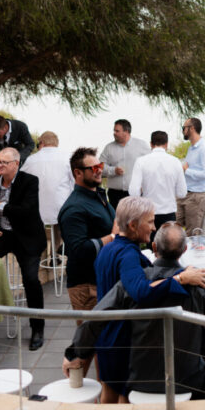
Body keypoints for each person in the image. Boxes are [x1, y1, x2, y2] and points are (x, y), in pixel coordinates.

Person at [65, 221, 205, 398]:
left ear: (154, 247)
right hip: (188, 381)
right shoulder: (200, 282)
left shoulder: (135, 283)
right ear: (185, 250)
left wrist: (75, 354)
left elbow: (97, 317)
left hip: (141, 379)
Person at [0, 147, 47, 349]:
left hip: (27, 237)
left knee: (31, 279)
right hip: (2, 235)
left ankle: (37, 327)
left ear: (16, 164)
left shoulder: (29, 181)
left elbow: (26, 211)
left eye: (4, 162)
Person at [58, 147, 115, 348]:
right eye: (94, 168)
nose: (99, 170)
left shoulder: (97, 196)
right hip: (86, 286)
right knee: (92, 346)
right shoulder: (74, 208)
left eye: (100, 166)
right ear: (78, 173)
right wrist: (113, 237)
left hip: (101, 280)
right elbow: (79, 250)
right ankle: (73, 365)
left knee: (102, 345)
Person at [128, 131, 186, 234]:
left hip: (147, 213)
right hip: (169, 214)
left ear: (151, 144)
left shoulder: (141, 161)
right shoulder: (176, 162)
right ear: (166, 144)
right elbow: (182, 193)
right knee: (168, 243)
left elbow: (133, 192)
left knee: (149, 243)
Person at [21, 131, 73, 227]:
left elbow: (21, 182)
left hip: (37, 210)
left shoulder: (31, 160)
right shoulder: (68, 158)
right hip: (63, 207)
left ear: (42, 143)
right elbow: (75, 183)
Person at [99, 119, 150, 209]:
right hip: (114, 195)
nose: (114, 133)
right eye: (114, 131)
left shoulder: (142, 145)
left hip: (135, 194)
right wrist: (113, 170)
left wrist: (145, 185)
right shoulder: (109, 148)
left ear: (126, 132)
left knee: (135, 218)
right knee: (116, 218)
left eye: (117, 131)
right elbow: (99, 167)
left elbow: (151, 165)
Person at [178, 117, 205, 233]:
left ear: (192, 128)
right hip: (185, 194)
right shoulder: (191, 148)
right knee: (174, 227)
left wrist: (187, 171)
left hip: (197, 196)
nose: (183, 130)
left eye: (184, 128)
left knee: (192, 234)